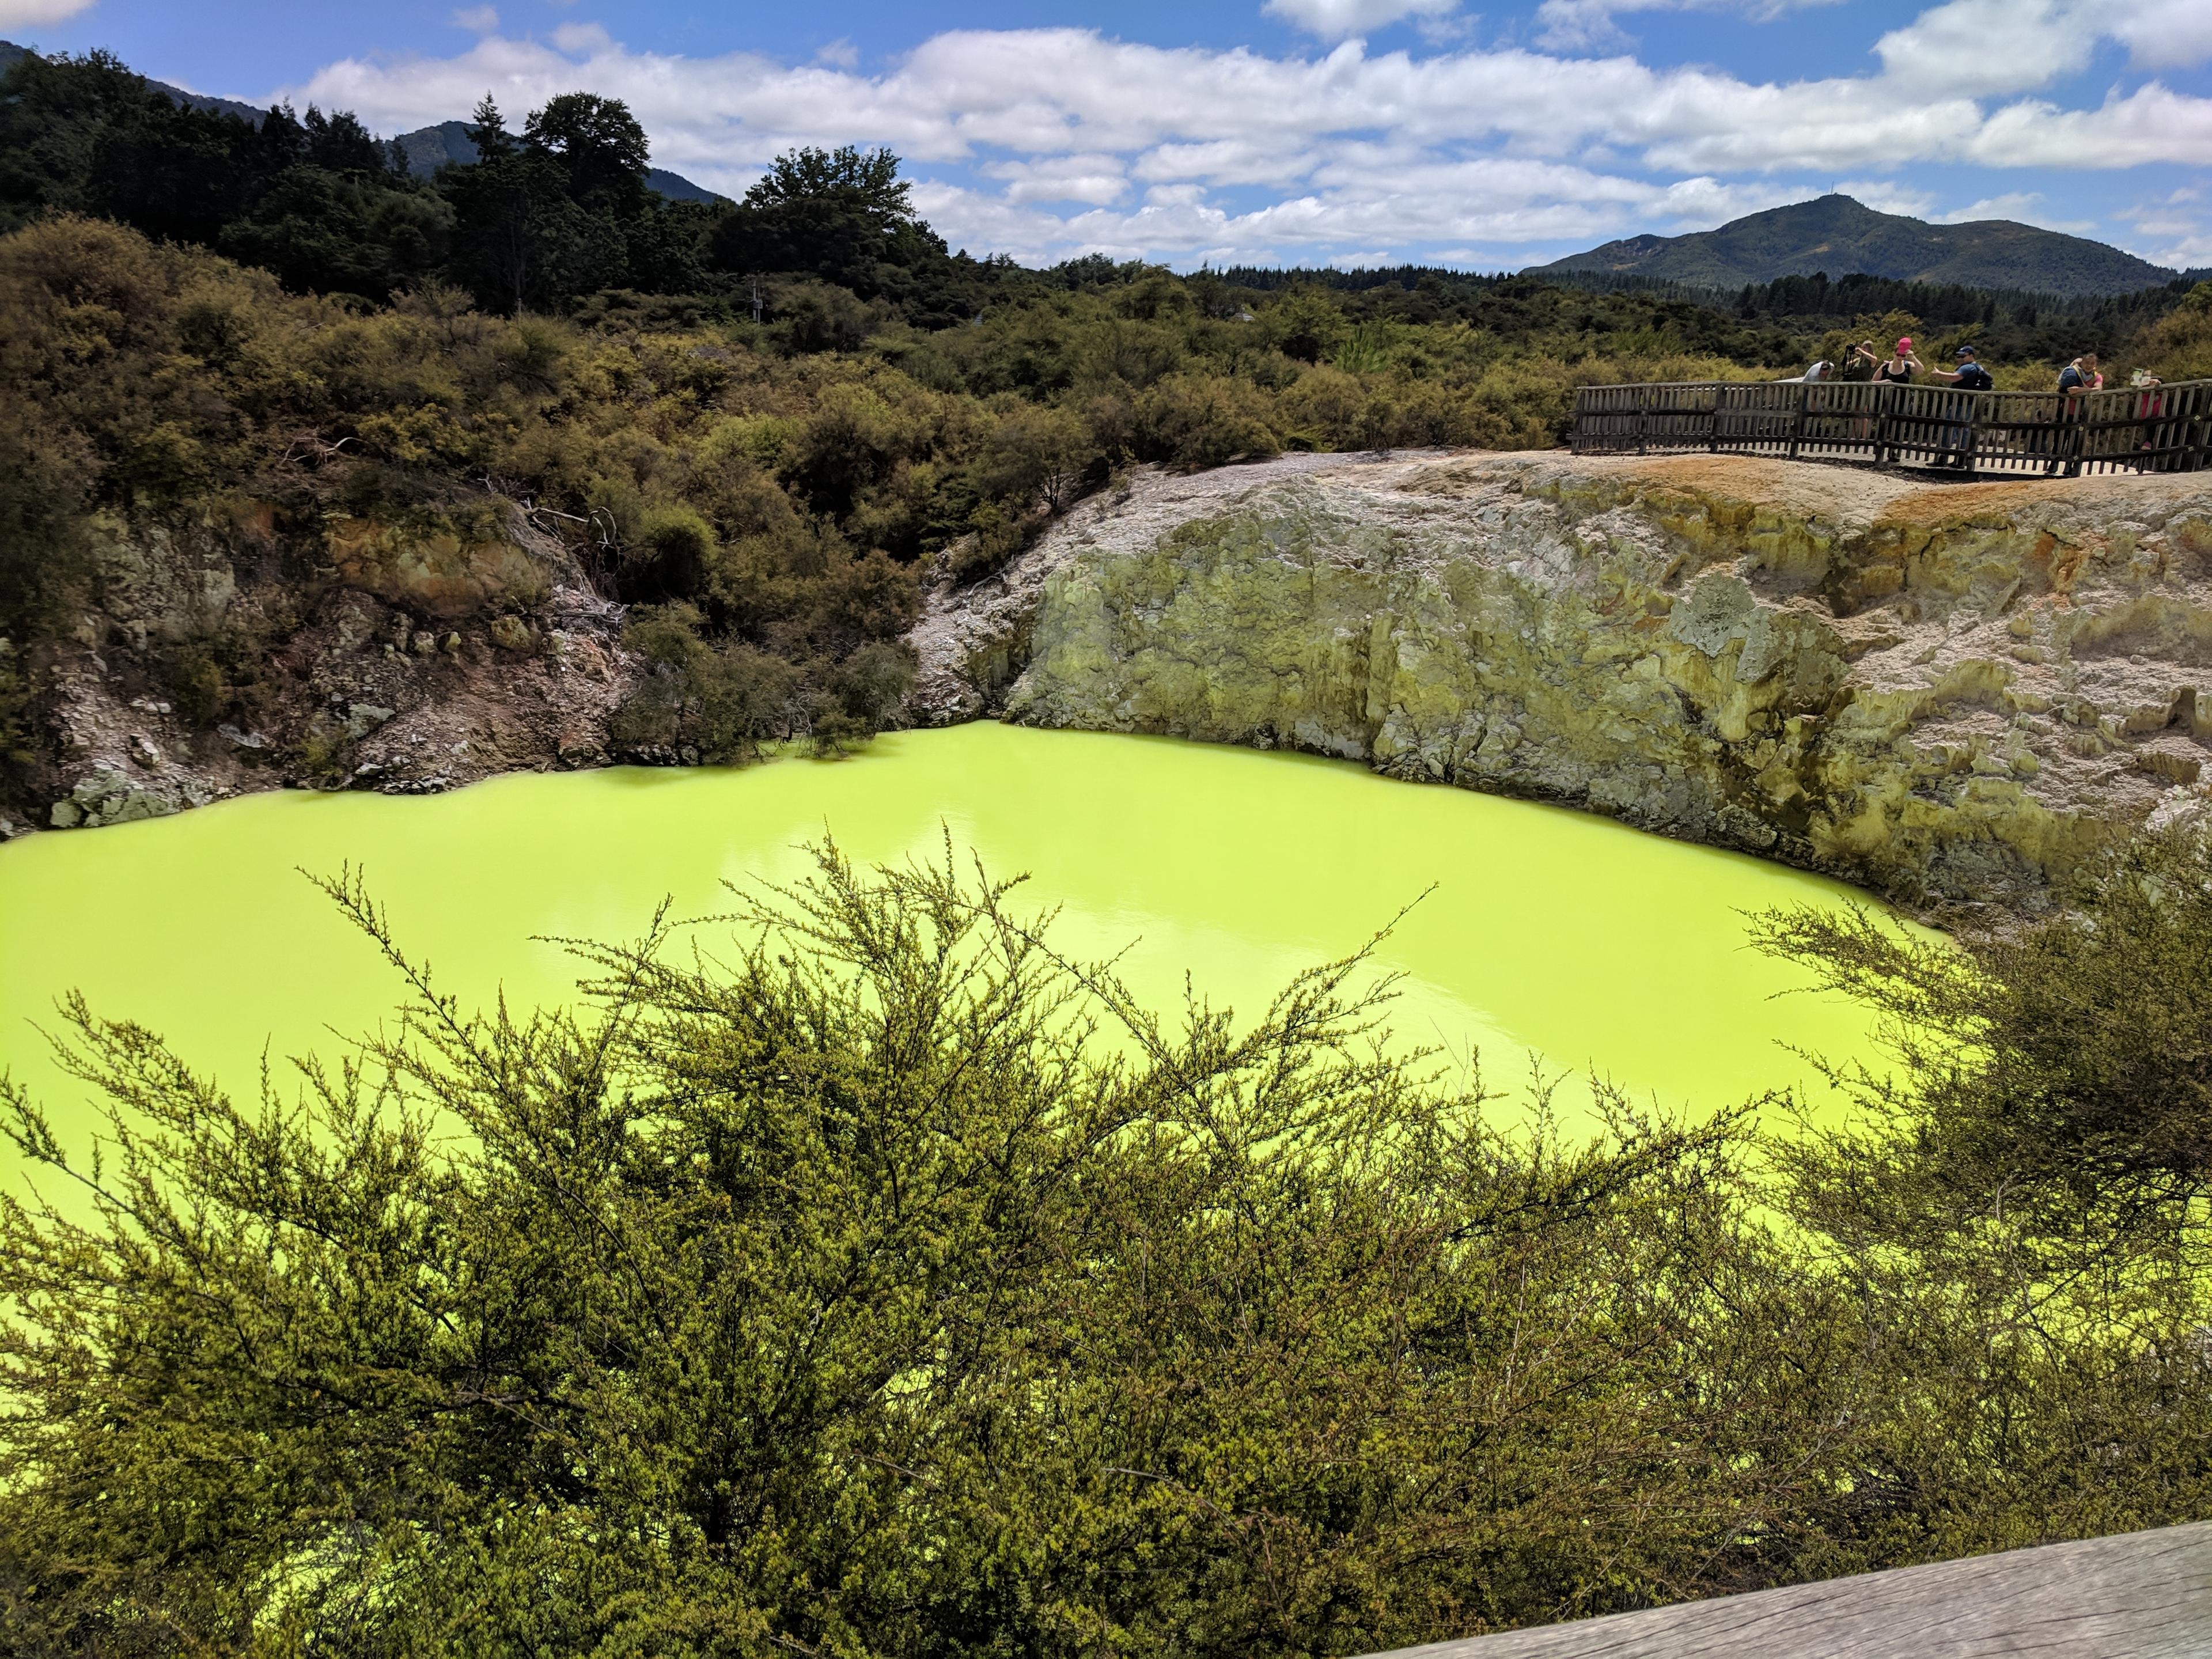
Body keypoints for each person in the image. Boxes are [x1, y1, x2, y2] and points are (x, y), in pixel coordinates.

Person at [1926, 345, 1993, 470]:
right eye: (1959, 356)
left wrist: (1939, 374)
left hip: (1960, 403)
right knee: (1963, 430)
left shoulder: (1968, 368)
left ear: (1971, 356)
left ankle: (1944, 458)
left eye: (1963, 356)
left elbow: (1955, 377)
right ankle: (1960, 459)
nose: (1960, 359)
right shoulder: (1977, 367)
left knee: (1950, 429)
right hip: (1967, 403)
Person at [2048, 353, 2101, 474]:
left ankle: (2068, 467)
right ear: (2082, 363)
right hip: (2064, 411)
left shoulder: (2096, 377)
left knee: (2075, 443)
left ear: (2095, 365)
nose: (2089, 365)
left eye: (2092, 363)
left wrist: (2080, 390)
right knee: (2059, 440)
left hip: (2081, 414)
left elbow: (2098, 389)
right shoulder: (2073, 372)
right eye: (2087, 362)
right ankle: (2053, 466)